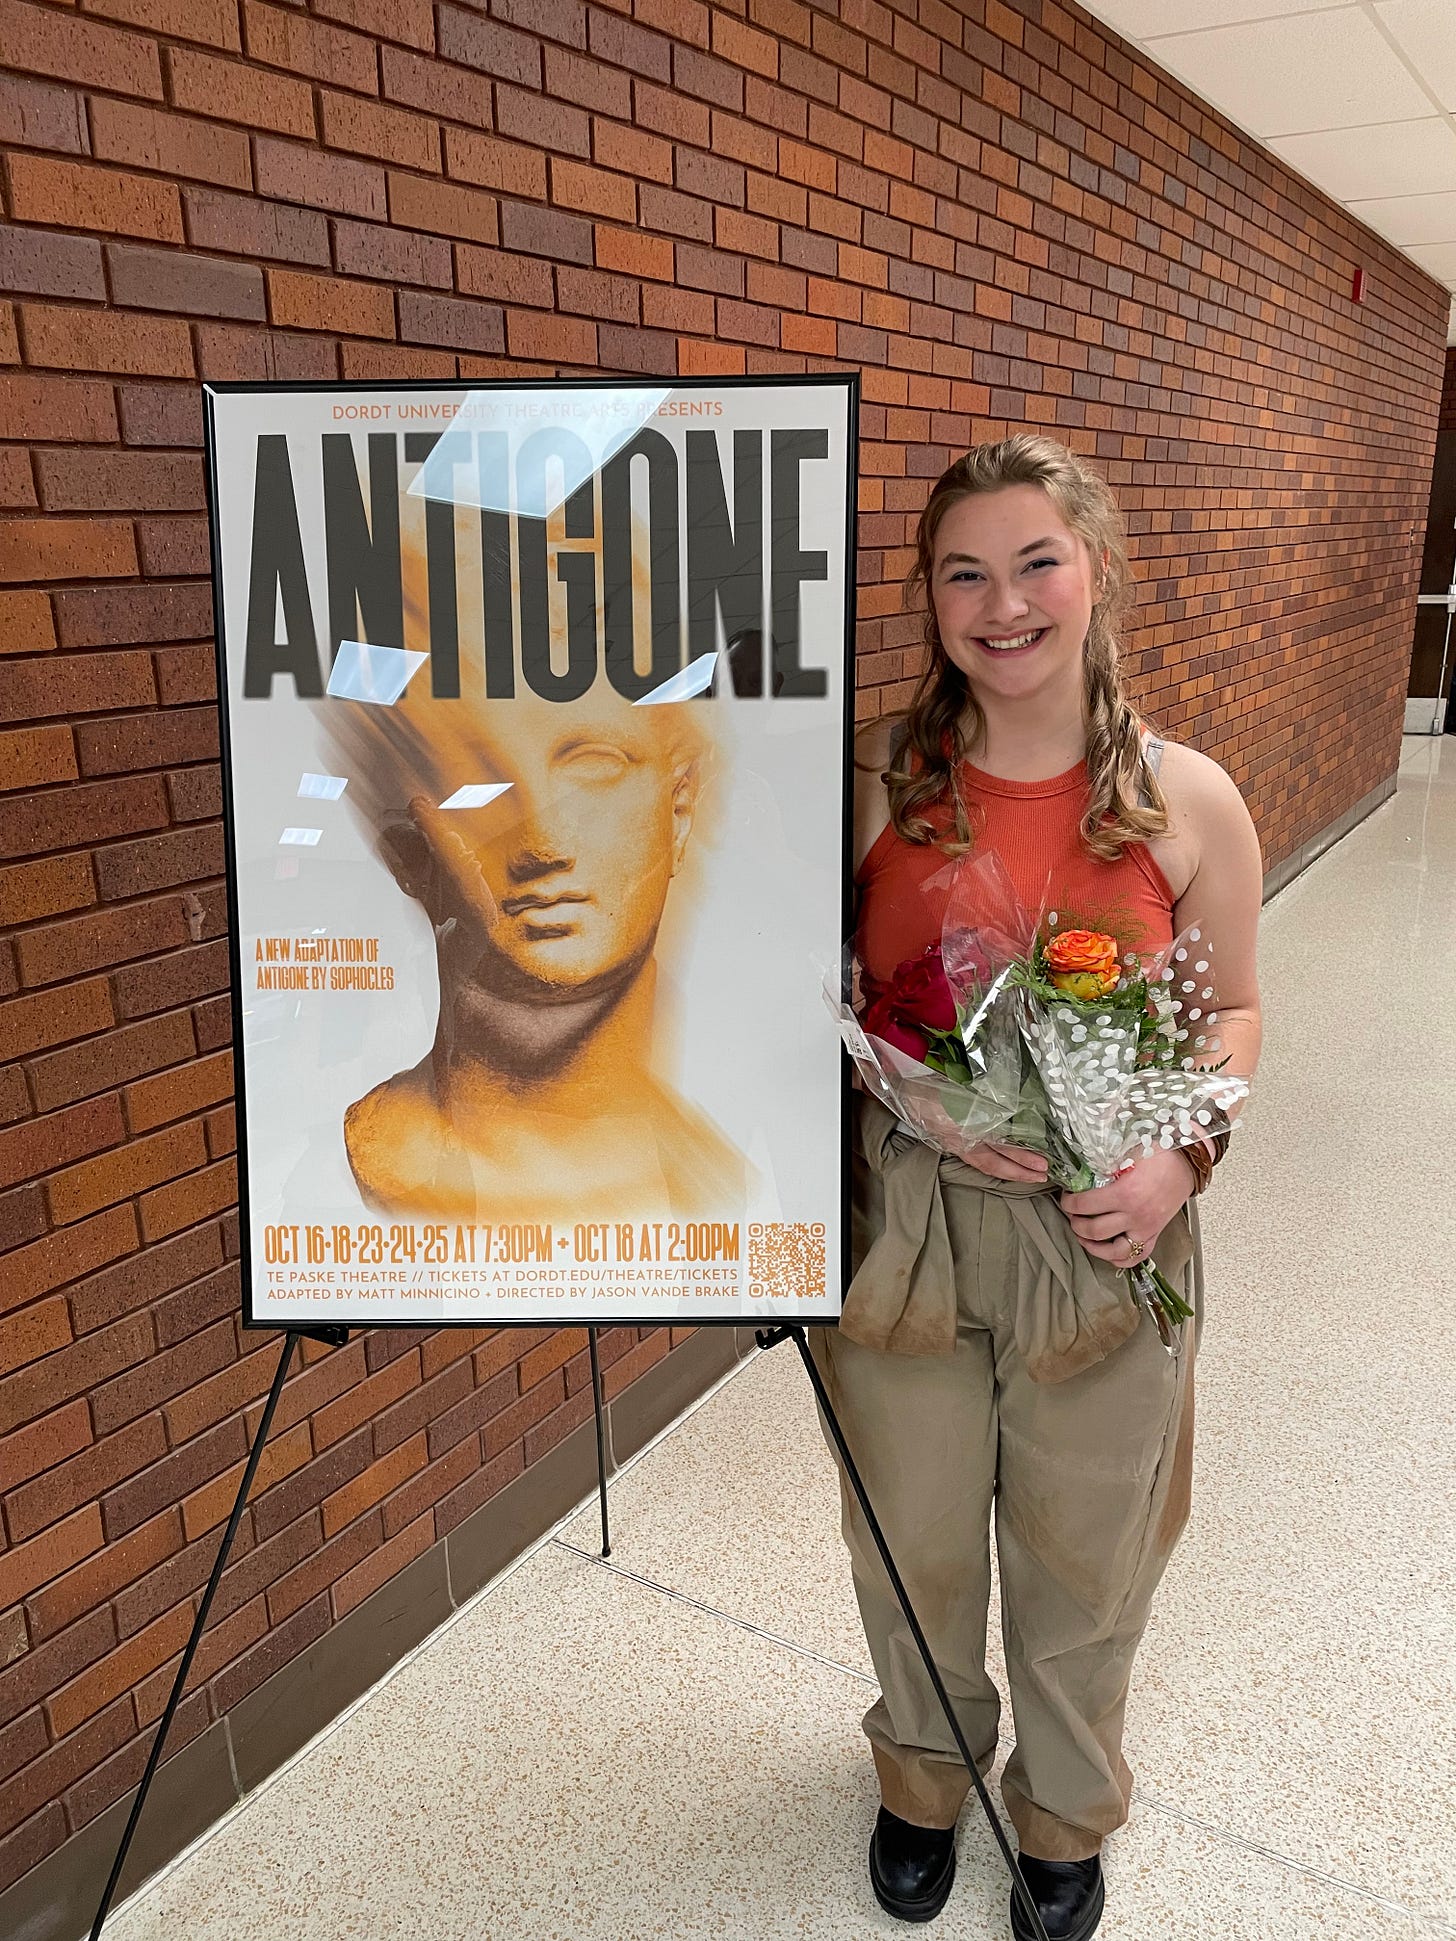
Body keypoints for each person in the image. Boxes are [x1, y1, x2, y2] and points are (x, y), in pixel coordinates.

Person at [816, 436, 1263, 1938]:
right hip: (911, 1240)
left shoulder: (1190, 798)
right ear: (930, 598)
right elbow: (796, 985)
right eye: (964, 573)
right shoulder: (873, 780)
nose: (1001, 603)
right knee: (915, 1532)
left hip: (1108, 1244)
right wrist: (907, 1095)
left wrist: (1181, 1157)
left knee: (1088, 1553)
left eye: (1034, 563)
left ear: (1096, 573)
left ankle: (1063, 1812)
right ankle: (924, 1778)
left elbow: (1237, 1014)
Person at [328, 669, 750, 1227]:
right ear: (413, 848)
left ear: (679, 813)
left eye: (594, 764)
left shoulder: (716, 1179)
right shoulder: (390, 1154)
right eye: (481, 782)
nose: (542, 844)